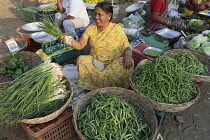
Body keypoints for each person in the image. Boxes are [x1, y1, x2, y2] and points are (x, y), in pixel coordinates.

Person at [62, 2, 134, 90]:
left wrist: (128, 55)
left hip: (114, 64)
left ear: (109, 15)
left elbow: (126, 45)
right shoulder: (91, 28)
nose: (96, 17)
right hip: (97, 64)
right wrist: (68, 40)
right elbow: (80, 45)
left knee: (128, 63)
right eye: (95, 14)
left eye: (100, 15)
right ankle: (106, 83)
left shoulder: (116, 29)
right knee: (81, 60)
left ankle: (98, 83)